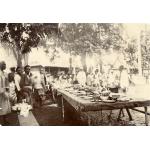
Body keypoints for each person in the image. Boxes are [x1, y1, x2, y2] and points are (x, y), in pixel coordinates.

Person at [0, 61, 11, 125]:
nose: (5, 65)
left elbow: (7, 83)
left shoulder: (5, 73)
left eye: (5, 64)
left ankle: (5, 120)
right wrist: (2, 92)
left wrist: (7, 91)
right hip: (1, 93)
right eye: (3, 64)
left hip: (5, 93)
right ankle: (2, 122)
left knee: (5, 107)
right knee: (1, 108)